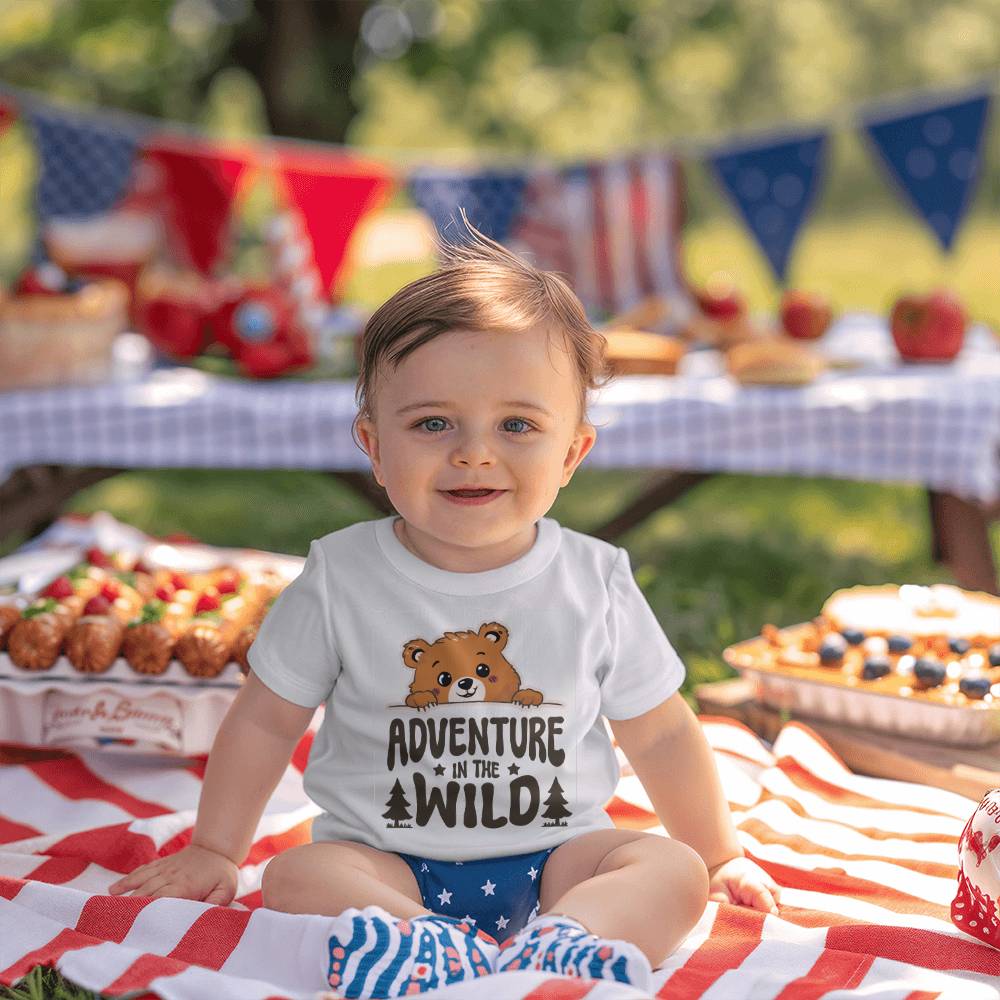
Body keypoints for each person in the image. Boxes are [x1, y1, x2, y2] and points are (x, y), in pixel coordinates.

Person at [109, 221, 781, 998]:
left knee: (670, 870)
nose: (473, 452)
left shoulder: (593, 580)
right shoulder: (341, 577)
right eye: (432, 423)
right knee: (296, 875)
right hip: (385, 862)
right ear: (373, 445)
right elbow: (263, 719)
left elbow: (661, 731)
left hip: (558, 860)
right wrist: (218, 848)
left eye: (517, 425)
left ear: (572, 454)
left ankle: (570, 942)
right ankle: (423, 945)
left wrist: (719, 852)